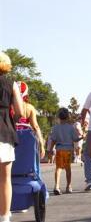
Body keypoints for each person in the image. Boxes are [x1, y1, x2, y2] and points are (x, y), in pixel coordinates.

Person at [0, 52, 24, 222]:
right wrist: (11, 120)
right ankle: (4, 217)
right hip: (5, 131)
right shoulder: (11, 83)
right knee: (5, 177)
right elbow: (21, 112)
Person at [49, 107, 83, 195]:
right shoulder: (71, 128)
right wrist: (82, 137)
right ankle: (68, 186)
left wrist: (50, 149)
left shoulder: (55, 128)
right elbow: (75, 139)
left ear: (58, 117)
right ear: (68, 117)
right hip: (68, 150)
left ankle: (56, 186)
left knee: (58, 168)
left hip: (59, 149)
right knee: (68, 169)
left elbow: (53, 140)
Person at [14, 81, 45, 160]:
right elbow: (36, 127)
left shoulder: (9, 106)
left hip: (12, 137)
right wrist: (41, 145)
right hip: (26, 138)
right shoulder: (30, 107)